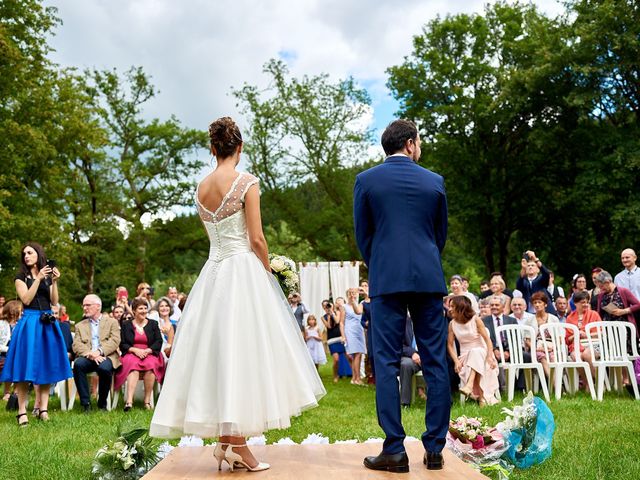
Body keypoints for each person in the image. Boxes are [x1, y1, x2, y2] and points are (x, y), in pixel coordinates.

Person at [149, 117, 324, 472]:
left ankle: (228, 444)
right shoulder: (248, 183)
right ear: (239, 148)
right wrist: (268, 267)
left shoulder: (200, 189)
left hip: (213, 274)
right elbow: (256, 238)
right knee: (243, 354)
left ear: (213, 149)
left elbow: (213, 237)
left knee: (219, 354)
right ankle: (238, 446)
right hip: (242, 269)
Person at [354, 119, 449, 472]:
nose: (420, 147)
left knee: (386, 361)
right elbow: (440, 234)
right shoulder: (435, 181)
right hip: (428, 277)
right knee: (436, 362)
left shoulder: (366, 181)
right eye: (419, 141)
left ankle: (394, 448)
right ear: (410, 144)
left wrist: (381, 262)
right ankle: (435, 448)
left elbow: (363, 235)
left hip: (387, 278)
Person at [0, 242, 72, 426]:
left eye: (30, 253)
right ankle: (22, 411)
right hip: (30, 323)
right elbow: (26, 299)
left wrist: (54, 282)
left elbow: (54, 301)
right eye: (24, 253)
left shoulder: (46, 276)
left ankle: (43, 409)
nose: (26, 256)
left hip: (47, 322)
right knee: (25, 367)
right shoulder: (20, 277)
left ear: (38, 254)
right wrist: (38, 279)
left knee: (46, 365)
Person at [72, 294, 121, 412]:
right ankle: (86, 404)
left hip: (106, 356)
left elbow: (115, 341)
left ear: (98, 306)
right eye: (83, 305)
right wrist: (90, 353)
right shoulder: (80, 325)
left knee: (105, 368)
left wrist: (99, 352)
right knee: (78, 365)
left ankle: (102, 403)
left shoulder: (112, 322)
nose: (84, 308)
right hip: (88, 356)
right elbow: (76, 345)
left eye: (88, 305)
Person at [448, 296, 499, 406]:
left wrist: (490, 356)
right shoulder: (452, 324)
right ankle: (481, 399)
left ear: (461, 307)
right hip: (465, 357)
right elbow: (450, 345)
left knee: (476, 352)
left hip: (483, 354)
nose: (449, 309)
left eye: (452, 306)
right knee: (474, 356)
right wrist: (456, 361)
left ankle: (470, 385)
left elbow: (487, 341)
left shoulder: (475, 319)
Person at [114, 298, 165, 411]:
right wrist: (134, 350)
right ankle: (129, 402)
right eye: (140, 308)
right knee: (132, 366)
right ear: (134, 311)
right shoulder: (126, 325)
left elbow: (158, 341)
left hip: (150, 352)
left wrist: (148, 350)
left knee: (151, 366)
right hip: (132, 353)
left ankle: (147, 402)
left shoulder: (153, 324)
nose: (143, 311)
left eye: (145, 308)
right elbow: (123, 344)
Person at [565, 290, 601, 382]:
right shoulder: (569, 318)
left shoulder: (594, 314)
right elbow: (568, 338)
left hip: (593, 344)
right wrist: (577, 334)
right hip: (576, 345)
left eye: (587, 302)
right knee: (576, 356)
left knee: (586, 354)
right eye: (582, 302)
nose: (585, 304)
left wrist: (586, 334)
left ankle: (598, 381)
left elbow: (601, 333)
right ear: (575, 303)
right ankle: (587, 383)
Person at [526, 292, 560, 379]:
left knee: (554, 358)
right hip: (537, 347)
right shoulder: (529, 320)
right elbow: (527, 340)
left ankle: (556, 387)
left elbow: (559, 338)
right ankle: (557, 387)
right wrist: (536, 348)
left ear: (545, 304)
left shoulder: (554, 319)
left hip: (552, 346)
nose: (537, 305)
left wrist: (553, 347)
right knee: (542, 357)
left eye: (539, 302)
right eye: (535, 303)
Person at [399, 315, 425, 407]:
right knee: (405, 364)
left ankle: (440, 402)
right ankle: (405, 403)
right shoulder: (404, 322)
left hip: (428, 356)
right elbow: (398, 345)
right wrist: (413, 353)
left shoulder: (428, 321)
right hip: (410, 358)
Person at [322, 300, 351, 382]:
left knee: (349, 357)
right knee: (336, 359)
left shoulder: (337, 312)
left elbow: (337, 321)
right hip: (331, 340)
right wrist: (328, 316)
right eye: (325, 306)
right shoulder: (323, 317)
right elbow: (329, 326)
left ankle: (355, 374)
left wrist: (332, 313)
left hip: (340, 338)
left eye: (328, 305)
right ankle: (335, 375)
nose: (326, 307)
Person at [344, 287, 366, 386]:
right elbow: (341, 323)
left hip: (359, 330)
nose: (352, 295)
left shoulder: (359, 305)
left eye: (354, 293)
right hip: (350, 331)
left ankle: (354, 378)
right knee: (355, 354)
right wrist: (343, 336)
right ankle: (357, 378)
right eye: (350, 293)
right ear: (347, 295)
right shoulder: (344, 306)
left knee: (359, 354)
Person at [1, 300, 22, 401]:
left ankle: (16, 391)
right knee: (7, 363)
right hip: (4, 352)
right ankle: (7, 392)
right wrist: (9, 349)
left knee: (20, 364)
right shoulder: (2, 324)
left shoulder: (20, 325)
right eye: (19, 311)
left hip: (17, 353)